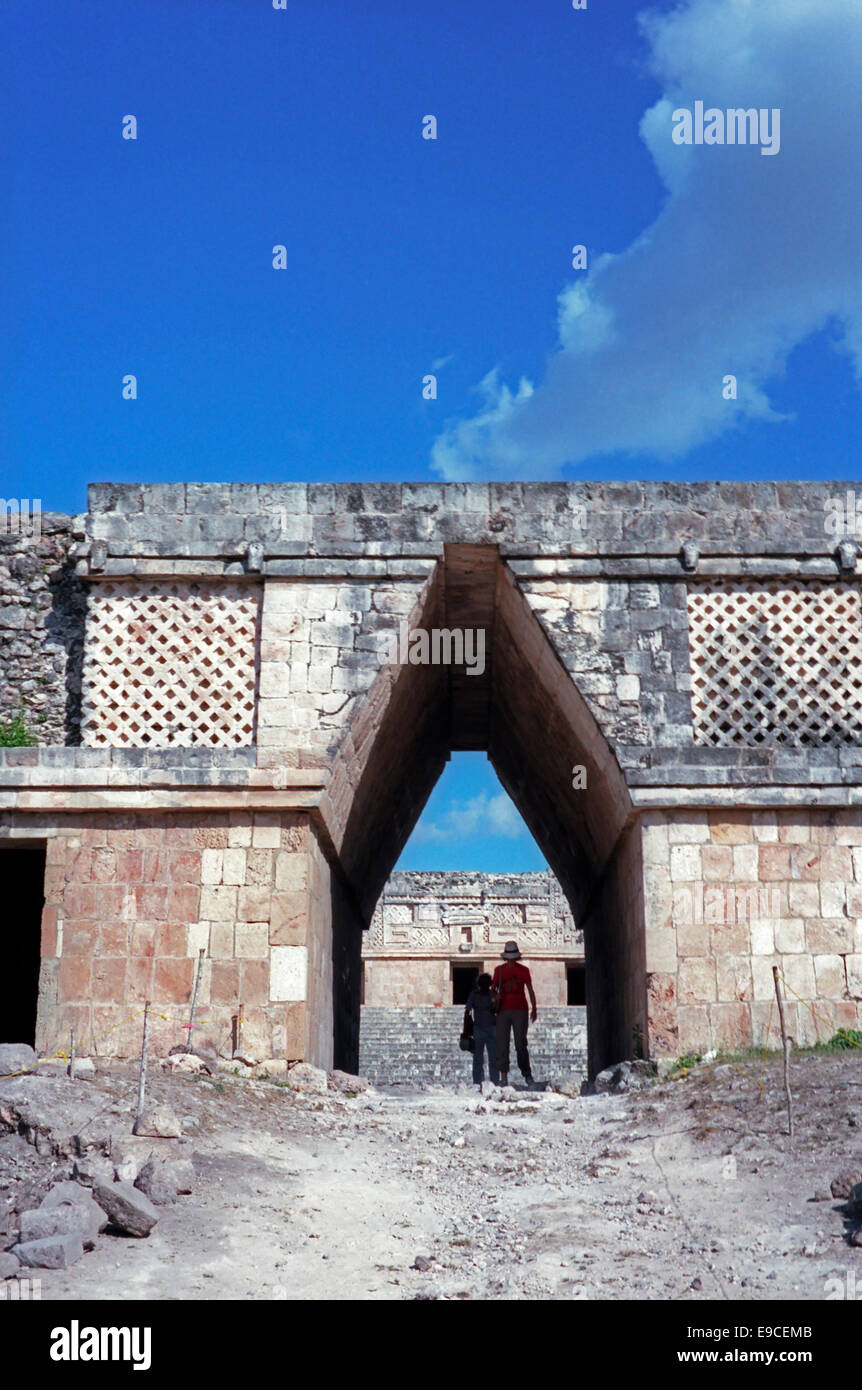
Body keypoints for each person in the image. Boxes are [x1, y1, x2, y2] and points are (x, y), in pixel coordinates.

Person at [492, 941, 537, 1087]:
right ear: (506, 957)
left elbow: (530, 989)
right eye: (509, 957)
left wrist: (534, 1008)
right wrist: (495, 996)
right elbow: (492, 989)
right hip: (503, 1011)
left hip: (520, 1010)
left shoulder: (523, 970)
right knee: (502, 1044)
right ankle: (503, 1077)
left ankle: (527, 1074)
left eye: (513, 957)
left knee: (520, 1044)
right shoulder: (498, 971)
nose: (511, 960)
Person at [465, 973, 499, 1086]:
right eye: (483, 983)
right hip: (480, 1029)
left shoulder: (492, 994)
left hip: (490, 1029)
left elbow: (498, 1009)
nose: (484, 985)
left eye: (486, 983)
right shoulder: (475, 995)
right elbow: (468, 1011)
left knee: (491, 1058)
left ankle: (492, 1082)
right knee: (479, 1058)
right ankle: (478, 1082)